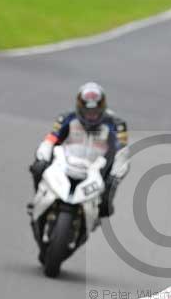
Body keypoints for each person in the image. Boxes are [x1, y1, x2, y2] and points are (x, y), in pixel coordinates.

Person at [29, 82, 129, 218]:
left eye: (95, 112)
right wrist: (42, 158)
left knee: (107, 201)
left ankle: (102, 206)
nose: (91, 115)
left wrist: (115, 175)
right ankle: (38, 198)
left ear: (102, 107)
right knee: (38, 167)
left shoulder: (117, 124)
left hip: (97, 168)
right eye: (87, 111)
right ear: (80, 107)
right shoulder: (66, 117)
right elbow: (50, 139)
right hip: (66, 162)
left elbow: (122, 152)